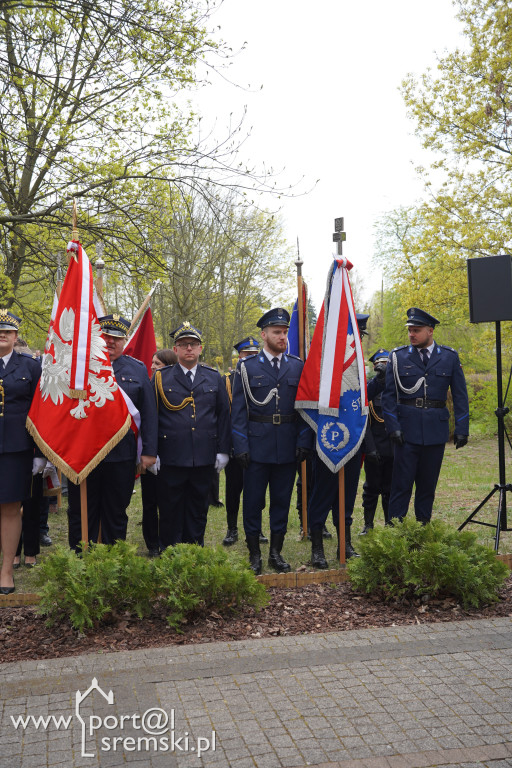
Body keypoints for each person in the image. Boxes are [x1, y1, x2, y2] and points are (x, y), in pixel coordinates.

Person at [231, 308, 312, 574]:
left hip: (287, 446)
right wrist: (240, 446)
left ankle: (275, 553)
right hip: (256, 446)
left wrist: (303, 441)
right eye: (277, 332)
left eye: (285, 332)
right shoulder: (246, 368)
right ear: (264, 335)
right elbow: (239, 413)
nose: (282, 337)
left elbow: (303, 409)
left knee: (281, 501)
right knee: (253, 502)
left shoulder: (297, 366)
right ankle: (254, 554)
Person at [67, 315, 157, 549]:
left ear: (124, 341)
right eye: (106, 336)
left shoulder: (137, 369)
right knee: (82, 510)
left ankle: (112, 561)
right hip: (85, 454)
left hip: (121, 455)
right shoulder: (81, 368)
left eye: (117, 338)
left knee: (116, 511)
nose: (110, 342)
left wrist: (149, 451)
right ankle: (80, 560)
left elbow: (148, 414)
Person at [307, 314, 386, 569]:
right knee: (323, 494)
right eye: (355, 335)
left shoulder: (357, 364)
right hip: (328, 438)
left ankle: (345, 544)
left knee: (348, 495)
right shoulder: (325, 362)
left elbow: (359, 399)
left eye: (359, 336)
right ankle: (317, 548)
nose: (357, 340)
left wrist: (378, 382)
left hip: (353, 440)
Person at [382, 307, 469, 524]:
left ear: (430, 331)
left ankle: (423, 532)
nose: (411, 334)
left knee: (427, 487)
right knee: (400, 486)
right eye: (410, 330)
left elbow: (460, 396)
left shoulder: (449, 357)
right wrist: (393, 427)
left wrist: (462, 429)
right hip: (406, 431)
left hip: (434, 432)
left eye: (417, 330)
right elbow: (388, 397)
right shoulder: (398, 357)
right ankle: (395, 536)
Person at [155, 322, 231, 548]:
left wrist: (224, 450)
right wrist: (151, 451)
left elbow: (223, 415)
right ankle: (170, 554)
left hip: (203, 456)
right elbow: (152, 416)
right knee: (170, 509)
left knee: (198, 509)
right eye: (183, 344)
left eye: (193, 344)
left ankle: (194, 553)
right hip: (171, 456)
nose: (189, 348)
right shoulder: (161, 378)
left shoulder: (213, 377)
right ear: (175, 349)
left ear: (200, 349)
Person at [0, 310, 43, 594]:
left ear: (16, 337)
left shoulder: (30, 366)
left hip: (16, 447)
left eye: (7, 331)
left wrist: (40, 452)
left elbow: (41, 412)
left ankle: (6, 571)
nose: (1, 334)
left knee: (11, 507)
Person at [222, 336, 268, 546]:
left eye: (254, 354)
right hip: (234, 445)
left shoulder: (263, 378)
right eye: (246, 354)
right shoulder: (227, 381)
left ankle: (256, 529)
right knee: (233, 489)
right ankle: (232, 529)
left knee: (257, 490)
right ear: (238, 357)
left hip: (258, 443)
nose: (250, 358)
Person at [140, 349, 177, 557]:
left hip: (170, 452)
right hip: (150, 451)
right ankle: (152, 543)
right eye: (152, 363)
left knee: (168, 501)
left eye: (158, 364)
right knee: (149, 501)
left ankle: (167, 540)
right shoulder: (147, 385)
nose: (153, 367)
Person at [360, 348, 394, 534]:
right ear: (375, 367)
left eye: (387, 364)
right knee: (371, 488)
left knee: (391, 488)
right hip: (375, 447)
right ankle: (368, 524)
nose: (384, 367)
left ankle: (390, 523)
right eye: (380, 365)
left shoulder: (399, 390)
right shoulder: (368, 390)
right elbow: (364, 422)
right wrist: (370, 448)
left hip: (394, 448)